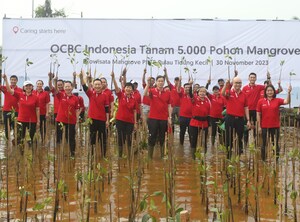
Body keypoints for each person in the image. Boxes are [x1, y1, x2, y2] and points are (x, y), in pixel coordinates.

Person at [257, 84, 291, 161]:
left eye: (271, 90)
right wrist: (259, 126)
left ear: (273, 92)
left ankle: (276, 160)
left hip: (275, 126)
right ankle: (263, 160)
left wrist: (288, 93)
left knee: (275, 143)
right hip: (264, 126)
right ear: (265, 92)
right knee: (264, 144)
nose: (269, 92)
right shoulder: (260, 101)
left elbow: (287, 101)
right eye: (268, 90)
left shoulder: (277, 100)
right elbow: (258, 114)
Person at [3, 74, 40, 145]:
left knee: (32, 138)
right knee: (20, 138)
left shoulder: (36, 97)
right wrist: (6, 79)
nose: (28, 87)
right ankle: (20, 153)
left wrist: (38, 121)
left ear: (32, 87)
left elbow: (37, 109)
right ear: (24, 87)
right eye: (26, 86)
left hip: (32, 120)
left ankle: (32, 153)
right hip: (21, 120)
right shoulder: (20, 95)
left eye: (30, 86)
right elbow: (10, 91)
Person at [80, 71, 109, 157]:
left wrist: (107, 120)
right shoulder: (91, 94)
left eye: (99, 84)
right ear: (93, 85)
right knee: (92, 138)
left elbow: (107, 109)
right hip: (92, 119)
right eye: (95, 84)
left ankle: (103, 155)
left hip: (102, 120)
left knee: (103, 138)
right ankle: (91, 155)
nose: (97, 86)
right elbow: (84, 86)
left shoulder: (105, 95)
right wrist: (81, 78)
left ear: (102, 85)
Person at [144, 70, 172, 159]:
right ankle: (149, 157)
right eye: (159, 81)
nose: (160, 82)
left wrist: (170, 117)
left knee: (162, 137)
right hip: (153, 118)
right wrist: (148, 84)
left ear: (164, 83)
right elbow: (144, 94)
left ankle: (162, 156)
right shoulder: (152, 91)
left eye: (162, 81)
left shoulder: (167, 93)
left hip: (163, 118)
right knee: (152, 136)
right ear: (156, 82)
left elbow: (169, 106)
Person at [222, 77, 251, 158]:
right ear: (233, 84)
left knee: (239, 137)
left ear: (241, 84)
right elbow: (222, 93)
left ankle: (238, 156)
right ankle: (228, 156)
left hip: (240, 119)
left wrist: (248, 120)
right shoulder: (229, 92)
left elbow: (246, 107)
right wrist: (226, 85)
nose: (238, 84)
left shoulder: (244, 94)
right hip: (230, 118)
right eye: (236, 83)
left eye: (239, 83)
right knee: (228, 137)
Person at [111, 71, 138, 158]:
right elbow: (116, 87)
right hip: (120, 120)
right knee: (120, 138)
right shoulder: (121, 95)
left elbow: (134, 111)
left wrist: (135, 123)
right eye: (127, 87)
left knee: (129, 138)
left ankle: (129, 155)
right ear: (124, 88)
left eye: (130, 88)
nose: (128, 89)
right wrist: (113, 78)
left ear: (132, 89)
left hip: (130, 122)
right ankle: (120, 155)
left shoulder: (134, 99)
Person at [54, 79, 80, 157]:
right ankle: (60, 154)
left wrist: (77, 121)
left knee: (71, 138)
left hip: (71, 121)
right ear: (64, 88)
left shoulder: (75, 98)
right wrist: (53, 80)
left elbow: (77, 110)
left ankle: (72, 154)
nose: (67, 88)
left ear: (72, 87)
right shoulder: (60, 95)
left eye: (69, 86)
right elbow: (53, 89)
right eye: (66, 86)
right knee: (60, 138)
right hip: (60, 120)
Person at [242, 72, 266, 144]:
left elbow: (268, 87)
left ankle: (256, 143)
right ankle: (245, 144)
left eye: (254, 77)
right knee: (246, 127)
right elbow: (242, 98)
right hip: (247, 110)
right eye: (251, 77)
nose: (252, 78)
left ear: (256, 78)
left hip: (256, 110)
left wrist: (268, 78)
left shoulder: (259, 87)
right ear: (249, 78)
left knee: (256, 127)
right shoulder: (245, 88)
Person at [189, 86, 211, 158]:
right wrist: (190, 85)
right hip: (194, 123)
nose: (202, 93)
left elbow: (209, 114)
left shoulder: (208, 102)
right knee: (193, 140)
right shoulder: (194, 99)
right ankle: (193, 157)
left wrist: (209, 125)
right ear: (198, 93)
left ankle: (204, 157)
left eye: (204, 92)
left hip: (204, 123)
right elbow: (190, 94)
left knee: (204, 141)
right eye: (201, 91)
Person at [0, 74, 22, 139]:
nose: (13, 81)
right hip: (6, 110)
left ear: (17, 81)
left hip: (16, 111)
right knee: (7, 127)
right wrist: (4, 78)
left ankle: (16, 141)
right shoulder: (5, 88)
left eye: (14, 80)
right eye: (12, 80)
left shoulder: (20, 90)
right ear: (10, 80)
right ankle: (7, 141)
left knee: (16, 127)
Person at [48, 73, 65, 143]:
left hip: (65, 113)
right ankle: (58, 144)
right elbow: (50, 86)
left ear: (64, 85)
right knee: (58, 130)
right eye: (58, 85)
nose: (60, 86)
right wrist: (50, 78)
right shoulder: (55, 92)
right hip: (57, 113)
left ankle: (65, 143)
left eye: (61, 85)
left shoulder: (67, 91)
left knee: (66, 130)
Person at [177, 79, 193, 146]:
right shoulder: (182, 95)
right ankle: (181, 145)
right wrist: (180, 81)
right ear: (183, 88)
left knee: (191, 132)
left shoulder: (192, 96)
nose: (187, 89)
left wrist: (191, 84)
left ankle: (191, 145)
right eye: (186, 87)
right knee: (182, 132)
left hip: (191, 117)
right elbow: (178, 89)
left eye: (188, 87)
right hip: (182, 117)